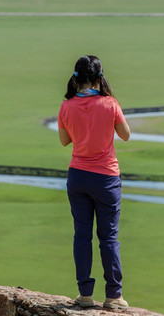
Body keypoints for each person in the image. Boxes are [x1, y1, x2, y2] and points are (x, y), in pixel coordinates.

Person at [58, 55, 131, 310]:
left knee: (82, 235)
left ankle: (85, 295)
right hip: (106, 178)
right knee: (108, 237)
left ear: (75, 78)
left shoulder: (66, 107)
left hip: (77, 176)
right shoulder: (110, 104)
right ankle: (113, 296)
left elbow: (65, 141)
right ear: (100, 78)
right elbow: (125, 135)